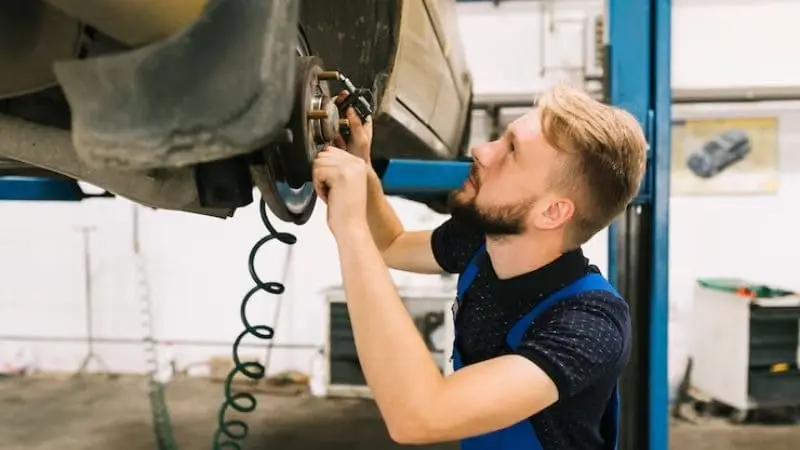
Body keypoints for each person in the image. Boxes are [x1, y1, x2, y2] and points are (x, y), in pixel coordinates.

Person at [312, 83, 648, 450]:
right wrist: (361, 166)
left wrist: (350, 227)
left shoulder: (590, 326)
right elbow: (390, 244)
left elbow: (421, 415)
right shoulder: (483, 240)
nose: (482, 151)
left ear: (553, 212)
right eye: (500, 139)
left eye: (512, 152)